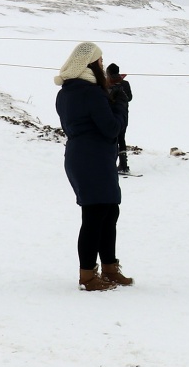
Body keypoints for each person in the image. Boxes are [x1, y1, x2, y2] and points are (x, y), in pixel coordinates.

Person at [55, 42, 133, 292]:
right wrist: (119, 105)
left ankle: (109, 268)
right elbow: (111, 129)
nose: (102, 66)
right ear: (89, 64)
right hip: (94, 158)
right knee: (95, 216)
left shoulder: (67, 92)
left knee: (108, 212)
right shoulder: (90, 92)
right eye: (100, 62)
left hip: (83, 156)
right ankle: (88, 276)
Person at [106, 62, 134, 174]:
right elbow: (130, 98)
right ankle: (123, 164)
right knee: (121, 138)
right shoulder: (125, 83)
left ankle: (113, 163)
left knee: (113, 138)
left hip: (111, 115)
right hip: (124, 115)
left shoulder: (108, 84)